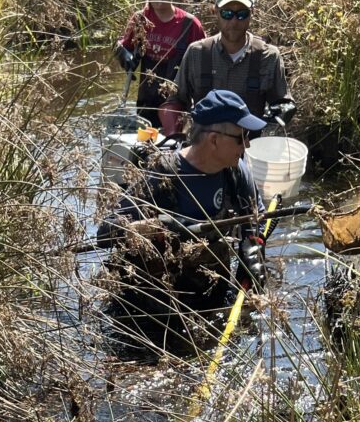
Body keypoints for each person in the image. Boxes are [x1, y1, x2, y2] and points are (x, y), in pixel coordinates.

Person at [98, 89, 268, 354]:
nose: (247, 145)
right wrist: (148, 227)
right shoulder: (162, 175)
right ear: (214, 140)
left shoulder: (237, 171)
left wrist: (253, 249)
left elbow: (254, 219)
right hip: (156, 312)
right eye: (242, 137)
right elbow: (105, 232)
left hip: (210, 298)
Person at [160, 0, 296, 135]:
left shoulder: (269, 56)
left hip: (249, 149)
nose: (233, 22)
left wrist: (281, 112)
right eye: (227, 13)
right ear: (215, 11)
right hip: (204, 150)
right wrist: (173, 134)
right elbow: (175, 100)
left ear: (252, 12)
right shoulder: (196, 53)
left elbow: (282, 102)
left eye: (241, 14)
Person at [114, 0, 205, 128]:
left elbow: (205, 62)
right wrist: (123, 54)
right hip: (146, 100)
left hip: (178, 101)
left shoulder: (190, 24)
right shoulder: (140, 19)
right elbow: (123, 45)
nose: (160, 3)